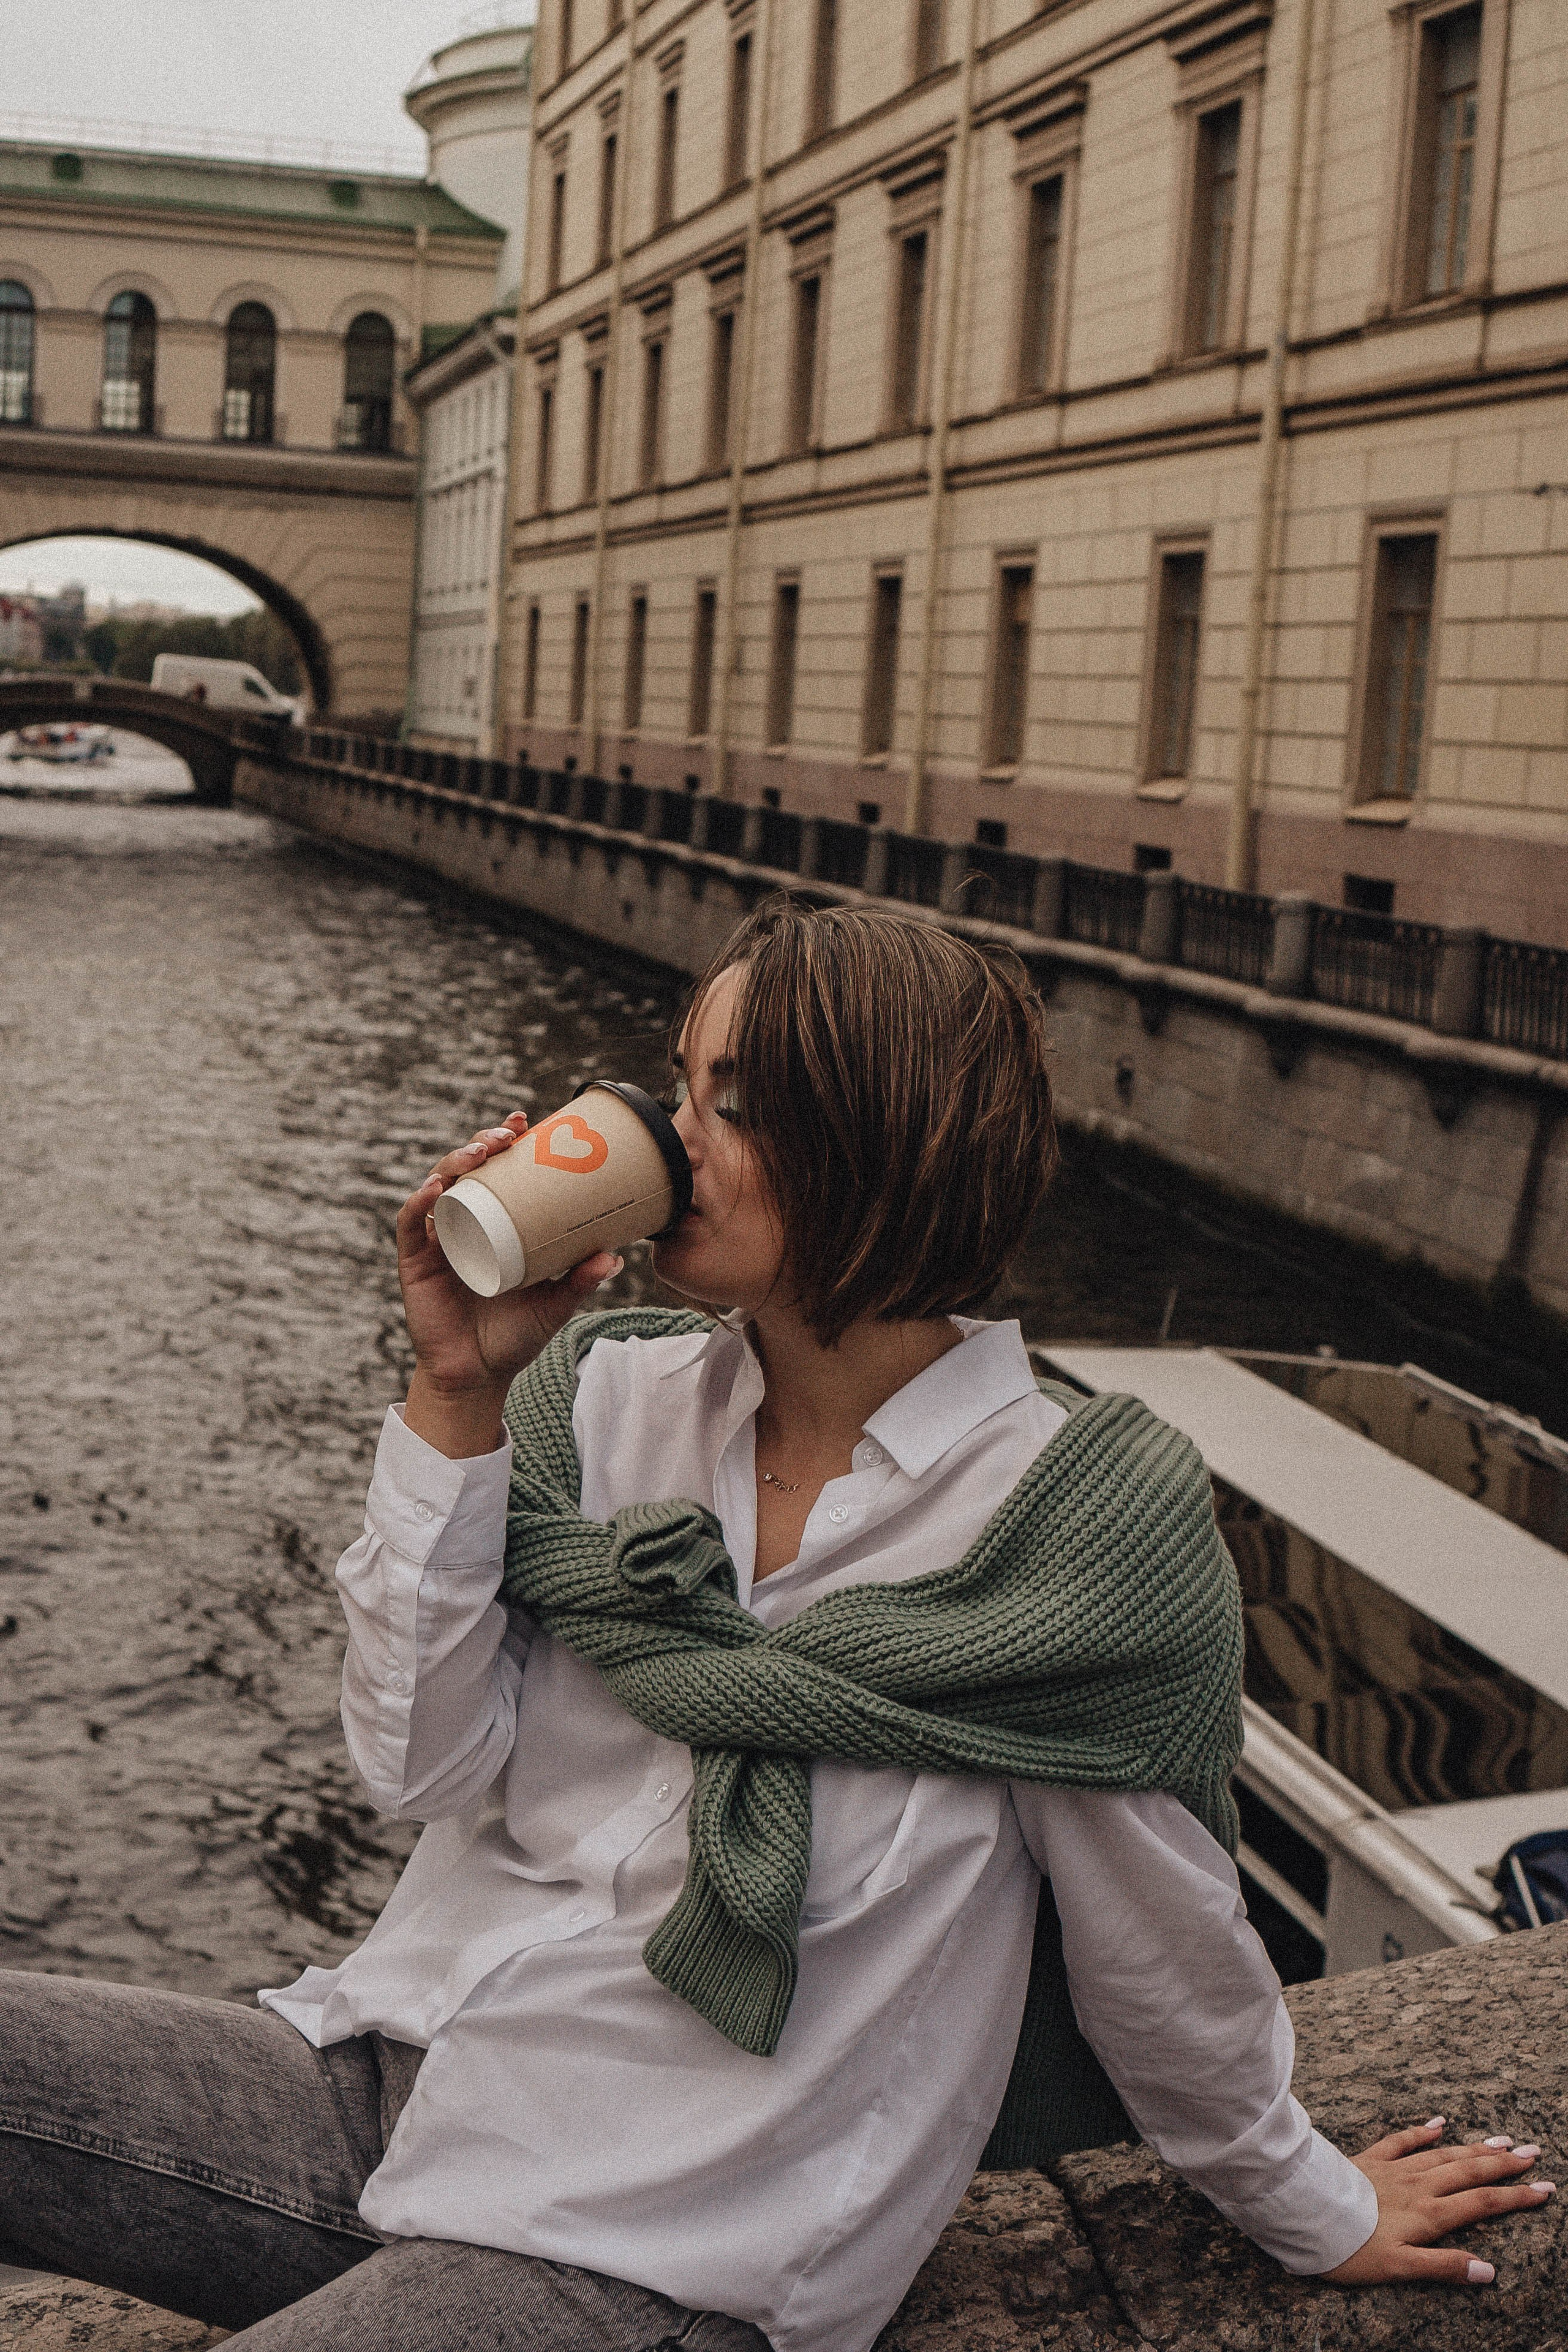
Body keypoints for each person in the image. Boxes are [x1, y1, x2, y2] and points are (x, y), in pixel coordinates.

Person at [0, 902, 1551, 2351]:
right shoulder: (599, 1398)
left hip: (664, 2234)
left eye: (732, 1105)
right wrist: (457, 1389)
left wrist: (1308, 2203)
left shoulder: (1068, 1522)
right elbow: (419, 1768)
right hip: (395, 2087)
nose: (671, 1137)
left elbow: (1161, 1947)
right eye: (681, 1085)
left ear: (890, 1145)